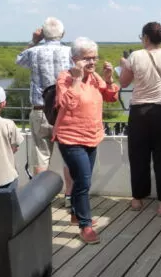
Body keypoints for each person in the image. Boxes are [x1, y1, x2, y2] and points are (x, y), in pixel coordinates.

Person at [53, 37, 119, 244]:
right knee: (83, 181)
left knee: (83, 180)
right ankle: (85, 225)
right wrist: (76, 79)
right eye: (87, 58)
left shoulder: (95, 77)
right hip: (70, 137)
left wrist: (108, 79)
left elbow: (111, 97)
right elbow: (66, 103)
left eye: (95, 57)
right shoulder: (65, 78)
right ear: (75, 59)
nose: (92, 62)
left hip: (92, 136)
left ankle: (75, 214)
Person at [118, 22, 161, 215]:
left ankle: (137, 199)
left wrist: (124, 66)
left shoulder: (135, 56)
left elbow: (123, 82)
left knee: (138, 156)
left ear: (145, 37)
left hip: (140, 112)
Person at [16, 17, 74, 206]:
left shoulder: (34, 51)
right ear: (63, 34)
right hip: (65, 111)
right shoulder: (71, 52)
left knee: (41, 154)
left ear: (43, 33)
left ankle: (41, 200)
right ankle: (70, 197)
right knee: (69, 155)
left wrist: (34, 40)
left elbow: (19, 60)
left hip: (40, 109)